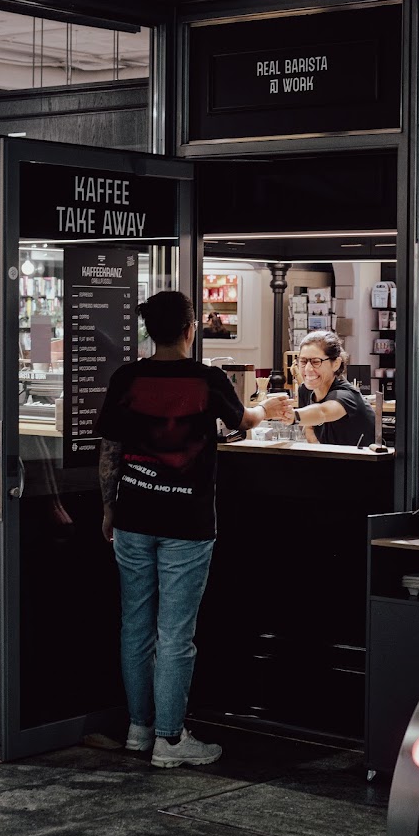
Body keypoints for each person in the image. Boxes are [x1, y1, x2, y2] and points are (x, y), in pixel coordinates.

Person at [95, 290, 289, 768]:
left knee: (135, 627)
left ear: (150, 330)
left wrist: (108, 507)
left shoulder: (127, 378)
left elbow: (109, 451)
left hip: (134, 516)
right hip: (187, 521)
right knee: (176, 632)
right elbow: (242, 420)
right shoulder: (208, 380)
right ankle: (171, 739)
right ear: (190, 328)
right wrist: (268, 407)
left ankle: (140, 730)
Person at [283, 329, 375, 447]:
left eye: (316, 362)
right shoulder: (305, 391)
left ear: (336, 363)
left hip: (363, 462)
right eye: (303, 361)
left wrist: (292, 416)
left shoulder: (345, 395)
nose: (308, 369)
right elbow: (309, 427)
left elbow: (322, 412)